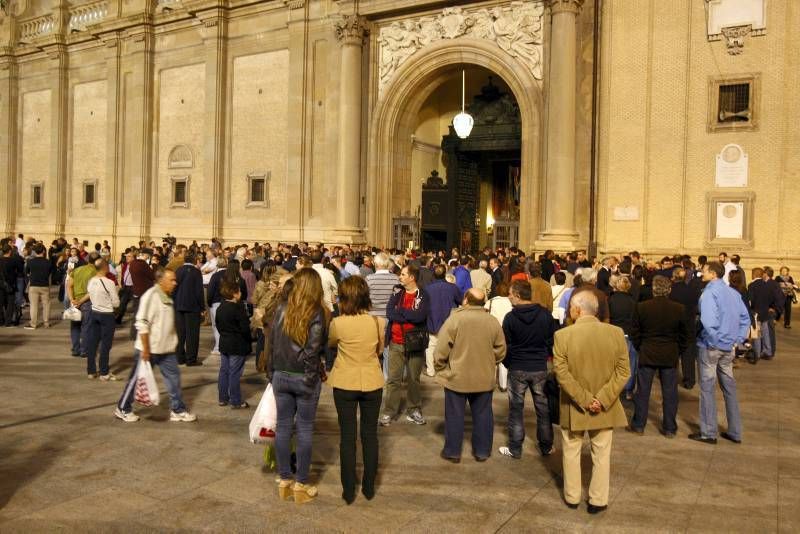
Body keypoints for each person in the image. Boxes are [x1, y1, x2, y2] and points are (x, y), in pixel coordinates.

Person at [553, 290, 630, 514]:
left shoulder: (563, 336)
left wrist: (585, 400)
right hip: (605, 405)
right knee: (602, 454)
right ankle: (598, 499)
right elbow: (623, 372)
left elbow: (562, 373)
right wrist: (601, 399)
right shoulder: (616, 333)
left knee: (571, 450)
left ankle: (572, 496)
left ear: (577, 310)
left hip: (574, 404)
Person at [270, 268, 328, 504]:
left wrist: (272, 372)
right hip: (303, 377)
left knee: (283, 427)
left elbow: (272, 342)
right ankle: (301, 484)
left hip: (281, 375)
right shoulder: (316, 312)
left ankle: (285, 479)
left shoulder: (281, 308)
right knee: (304, 429)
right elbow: (312, 350)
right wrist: (312, 376)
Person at [327, 276, 385, 504]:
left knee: (347, 436)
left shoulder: (337, 323)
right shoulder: (377, 322)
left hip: (344, 380)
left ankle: (348, 489)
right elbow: (380, 350)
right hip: (371, 379)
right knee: (370, 435)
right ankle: (369, 486)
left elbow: (332, 343)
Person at [114, 268, 197, 423]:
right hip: (149, 349)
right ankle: (122, 408)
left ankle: (178, 409)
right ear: (161, 281)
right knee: (136, 379)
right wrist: (146, 349)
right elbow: (142, 323)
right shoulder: (151, 296)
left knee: (174, 379)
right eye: (171, 280)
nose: (175, 283)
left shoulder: (167, 296)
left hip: (166, 349)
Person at [434, 288, 506, 463]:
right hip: (483, 376)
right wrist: (489, 362)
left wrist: (441, 369)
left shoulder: (455, 319)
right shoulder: (492, 321)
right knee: (483, 415)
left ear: (466, 299)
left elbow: (441, 348)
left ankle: (453, 451)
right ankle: (482, 451)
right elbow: (501, 350)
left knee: (454, 415)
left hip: (457, 376)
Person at [690, 261, 750, 445]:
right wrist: (736, 340)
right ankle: (735, 431)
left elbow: (708, 321)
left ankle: (708, 432)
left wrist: (716, 339)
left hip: (711, 346)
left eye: (705, 271)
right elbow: (744, 318)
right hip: (728, 347)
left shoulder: (709, 293)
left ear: (714, 274)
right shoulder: (733, 293)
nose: (702, 273)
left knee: (707, 388)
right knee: (729, 388)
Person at [497, 279, 556, 459]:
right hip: (539, 366)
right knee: (543, 409)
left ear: (518, 295)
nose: (508, 297)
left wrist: (509, 363)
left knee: (516, 409)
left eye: (510, 294)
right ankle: (546, 446)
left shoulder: (511, 318)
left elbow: (506, 344)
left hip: (518, 367)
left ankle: (515, 448)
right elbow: (550, 341)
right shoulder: (545, 315)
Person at [628, 276, 689, 438]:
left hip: (648, 351)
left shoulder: (642, 307)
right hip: (669, 353)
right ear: (669, 290)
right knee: (670, 392)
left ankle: (639, 424)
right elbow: (685, 335)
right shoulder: (678, 308)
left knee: (643, 391)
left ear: (654, 289)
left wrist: (640, 346)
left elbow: (635, 332)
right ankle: (669, 427)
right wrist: (678, 350)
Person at [379, 263, 430, 426]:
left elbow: (419, 317)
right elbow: (389, 312)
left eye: (403, 274)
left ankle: (413, 409)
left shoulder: (423, 295)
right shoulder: (397, 293)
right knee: (393, 379)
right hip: (396, 342)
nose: (399, 277)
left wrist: (401, 313)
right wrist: (407, 315)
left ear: (412, 278)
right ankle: (389, 411)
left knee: (413, 379)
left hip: (414, 344)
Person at [215, 281, 252, 409]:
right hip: (237, 344)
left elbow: (218, 325)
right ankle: (236, 400)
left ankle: (222, 397)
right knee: (234, 373)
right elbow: (245, 328)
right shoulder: (238, 308)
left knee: (224, 371)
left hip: (224, 342)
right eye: (239, 291)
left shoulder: (220, 307)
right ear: (235, 294)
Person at [424, 264, 462, 377]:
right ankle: (446, 369)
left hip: (432, 320)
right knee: (450, 347)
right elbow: (460, 300)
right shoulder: (452, 287)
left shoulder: (427, 289)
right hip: (449, 321)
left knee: (431, 346)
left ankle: (431, 370)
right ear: (445, 274)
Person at [85, 258, 121, 381]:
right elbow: (116, 303)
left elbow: (90, 294)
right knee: (106, 345)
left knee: (92, 342)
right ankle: (104, 372)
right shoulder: (109, 283)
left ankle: (91, 371)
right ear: (105, 267)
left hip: (94, 312)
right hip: (106, 315)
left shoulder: (91, 281)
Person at [607, 274, 637, 399]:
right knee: (630, 363)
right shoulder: (633, 302)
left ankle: (614, 387)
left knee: (613, 363)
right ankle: (628, 390)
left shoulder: (611, 300)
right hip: (629, 334)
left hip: (614, 334)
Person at [174, 253, 205, 366]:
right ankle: (191, 359)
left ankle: (179, 357)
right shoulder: (196, 272)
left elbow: (174, 288)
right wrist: (202, 306)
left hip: (179, 306)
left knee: (180, 333)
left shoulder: (178, 270)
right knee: (192, 334)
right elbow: (199, 291)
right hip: (192, 307)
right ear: (195, 260)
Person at [66, 252, 99, 357]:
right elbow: (92, 291)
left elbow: (69, 285)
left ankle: (75, 349)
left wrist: (72, 299)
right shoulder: (96, 272)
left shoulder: (77, 269)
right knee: (86, 327)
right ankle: (84, 350)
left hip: (75, 301)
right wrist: (81, 301)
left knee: (75, 326)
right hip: (87, 302)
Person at [747, 266, 784, 360]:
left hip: (756, 312)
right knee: (766, 333)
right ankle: (767, 351)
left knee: (757, 333)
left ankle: (757, 352)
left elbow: (750, 300)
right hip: (766, 312)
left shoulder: (753, 285)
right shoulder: (769, 284)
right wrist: (774, 309)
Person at [486, 281, 513, 391]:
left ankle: (491, 382)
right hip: (506, 331)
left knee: (492, 357)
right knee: (503, 357)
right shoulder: (510, 301)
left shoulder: (491, 302)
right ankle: (503, 385)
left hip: (493, 330)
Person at [24, 243, 52, 329]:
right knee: (46, 304)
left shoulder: (30, 261)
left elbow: (27, 272)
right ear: (43, 251)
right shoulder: (48, 262)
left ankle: (33, 323)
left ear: (34, 251)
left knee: (34, 305)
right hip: (45, 285)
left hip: (34, 285)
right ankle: (46, 322)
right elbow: (50, 273)